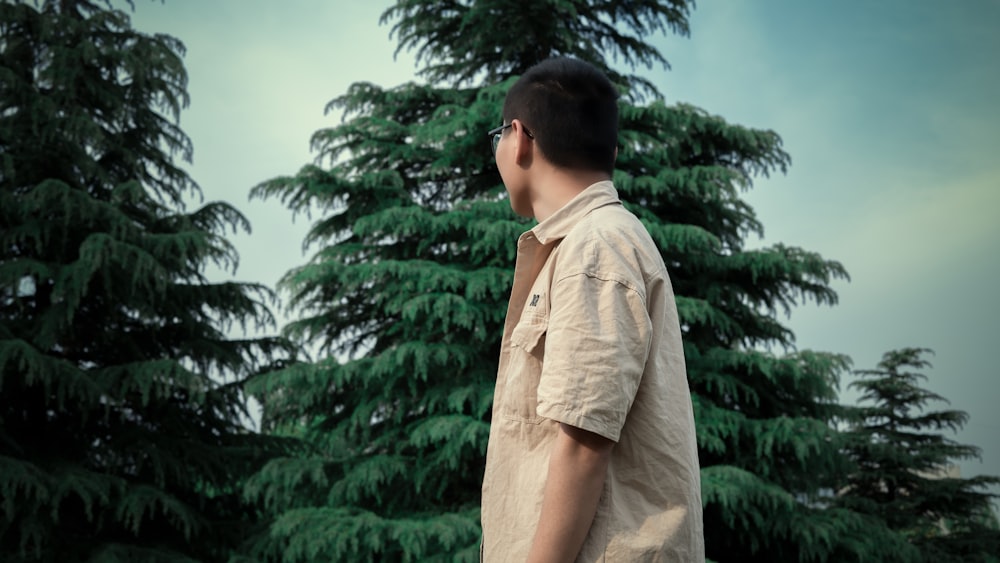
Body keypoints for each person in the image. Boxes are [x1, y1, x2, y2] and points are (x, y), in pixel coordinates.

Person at [480, 57, 705, 562]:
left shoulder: (595, 246)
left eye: (497, 136)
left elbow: (584, 442)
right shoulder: (596, 243)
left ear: (519, 138)